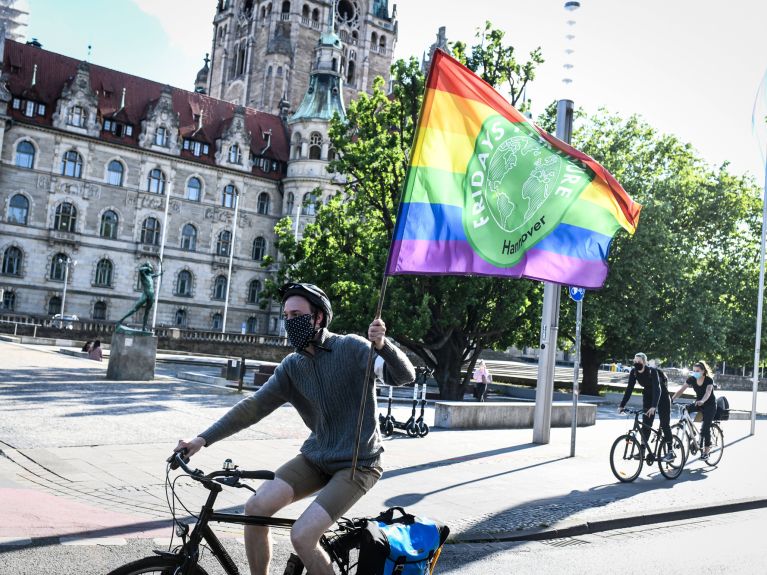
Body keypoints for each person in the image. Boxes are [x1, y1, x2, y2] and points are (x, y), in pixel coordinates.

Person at [174, 283, 415, 575]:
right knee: (256, 509)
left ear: (318, 318)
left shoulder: (352, 348)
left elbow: (403, 376)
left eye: (297, 314)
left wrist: (382, 345)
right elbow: (253, 407)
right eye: (286, 316)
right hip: (316, 457)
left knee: (302, 535)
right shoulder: (292, 366)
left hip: (358, 463)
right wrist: (201, 439)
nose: (290, 321)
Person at [618, 352, 675, 462]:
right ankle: (642, 450)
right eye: (634, 361)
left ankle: (670, 452)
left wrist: (654, 406)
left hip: (662, 396)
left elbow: (657, 389)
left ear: (644, 362)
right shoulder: (634, 372)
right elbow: (629, 389)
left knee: (664, 424)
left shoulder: (652, 371)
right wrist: (622, 405)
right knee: (646, 423)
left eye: (638, 361)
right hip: (648, 395)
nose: (636, 363)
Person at [671, 361, 716, 460]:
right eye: (694, 370)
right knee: (685, 409)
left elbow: (708, 392)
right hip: (698, 403)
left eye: (697, 371)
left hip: (709, 405)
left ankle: (706, 452)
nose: (695, 372)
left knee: (705, 428)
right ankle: (693, 433)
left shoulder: (709, 380)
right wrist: (672, 399)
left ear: (703, 371)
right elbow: (681, 389)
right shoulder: (692, 379)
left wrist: (703, 401)